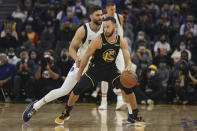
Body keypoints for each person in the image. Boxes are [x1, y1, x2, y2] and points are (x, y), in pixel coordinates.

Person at [54, 17, 144, 125]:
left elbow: (128, 59)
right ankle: (66, 112)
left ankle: (136, 115)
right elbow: (86, 56)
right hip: (95, 70)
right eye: (104, 27)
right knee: (77, 89)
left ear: (114, 27)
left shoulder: (121, 41)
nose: (105, 29)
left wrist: (128, 66)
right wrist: (79, 73)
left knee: (128, 88)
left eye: (108, 27)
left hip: (111, 70)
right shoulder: (98, 40)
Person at [22, 5, 103, 122]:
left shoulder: (105, 28)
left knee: (118, 79)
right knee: (64, 90)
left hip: (97, 65)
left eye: (101, 15)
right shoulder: (83, 30)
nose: (100, 17)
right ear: (91, 16)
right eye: (98, 15)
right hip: (81, 64)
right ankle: (36, 106)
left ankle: (130, 113)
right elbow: (71, 48)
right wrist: (76, 59)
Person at [98, 1, 127, 110]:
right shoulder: (103, 19)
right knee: (104, 77)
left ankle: (120, 101)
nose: (113, 11)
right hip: (105, 50)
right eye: (111, 10)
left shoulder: (119, 18)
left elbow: (121, 33)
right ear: (106, 9)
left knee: (120, 74)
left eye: (114, 9)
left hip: (118, 49)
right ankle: (103, 102)